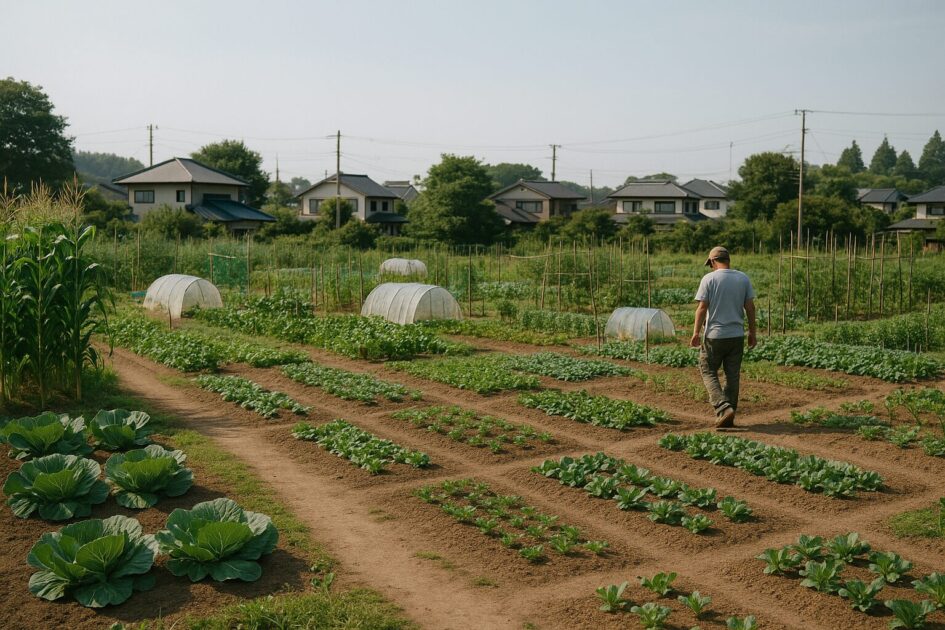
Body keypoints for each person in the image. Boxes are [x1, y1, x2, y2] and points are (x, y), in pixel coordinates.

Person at [689, 246, 756, 429]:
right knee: (732, 374)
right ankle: (729, 412)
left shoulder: (709, 279)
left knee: (708, 370)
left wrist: (696, 333)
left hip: (714, 336)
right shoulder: (742, 278)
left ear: (712, 261)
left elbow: (702, 308)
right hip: (736, 336)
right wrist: (752, 332)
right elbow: (750, 308)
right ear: (728, 260)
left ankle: (722, 407)